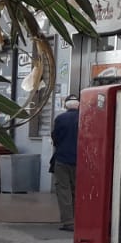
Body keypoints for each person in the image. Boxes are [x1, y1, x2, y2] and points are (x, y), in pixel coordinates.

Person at [51, 94, 80, 231]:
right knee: (76, 190)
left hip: (62, 159)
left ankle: (68, 221)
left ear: (65, 106)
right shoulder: (85, 117)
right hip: (80, 160)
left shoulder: (60, 119)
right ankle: (78, 219)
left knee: (64, 190)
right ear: (79, 105)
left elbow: (55, 139)